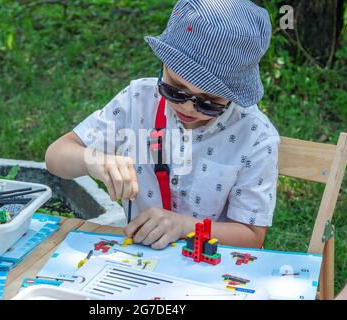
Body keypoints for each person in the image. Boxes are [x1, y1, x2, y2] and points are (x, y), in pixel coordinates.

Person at [45, 0, 279, 249]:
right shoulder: (137, 100)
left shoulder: (255, 136)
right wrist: (93, 160)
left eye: (209, 102)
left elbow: (252, 236)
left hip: (214, 270)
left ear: (234, 94)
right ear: (162, 65)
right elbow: (55, 156)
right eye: (175, 90)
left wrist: (185, 226)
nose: (188, 108)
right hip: (138, 260)